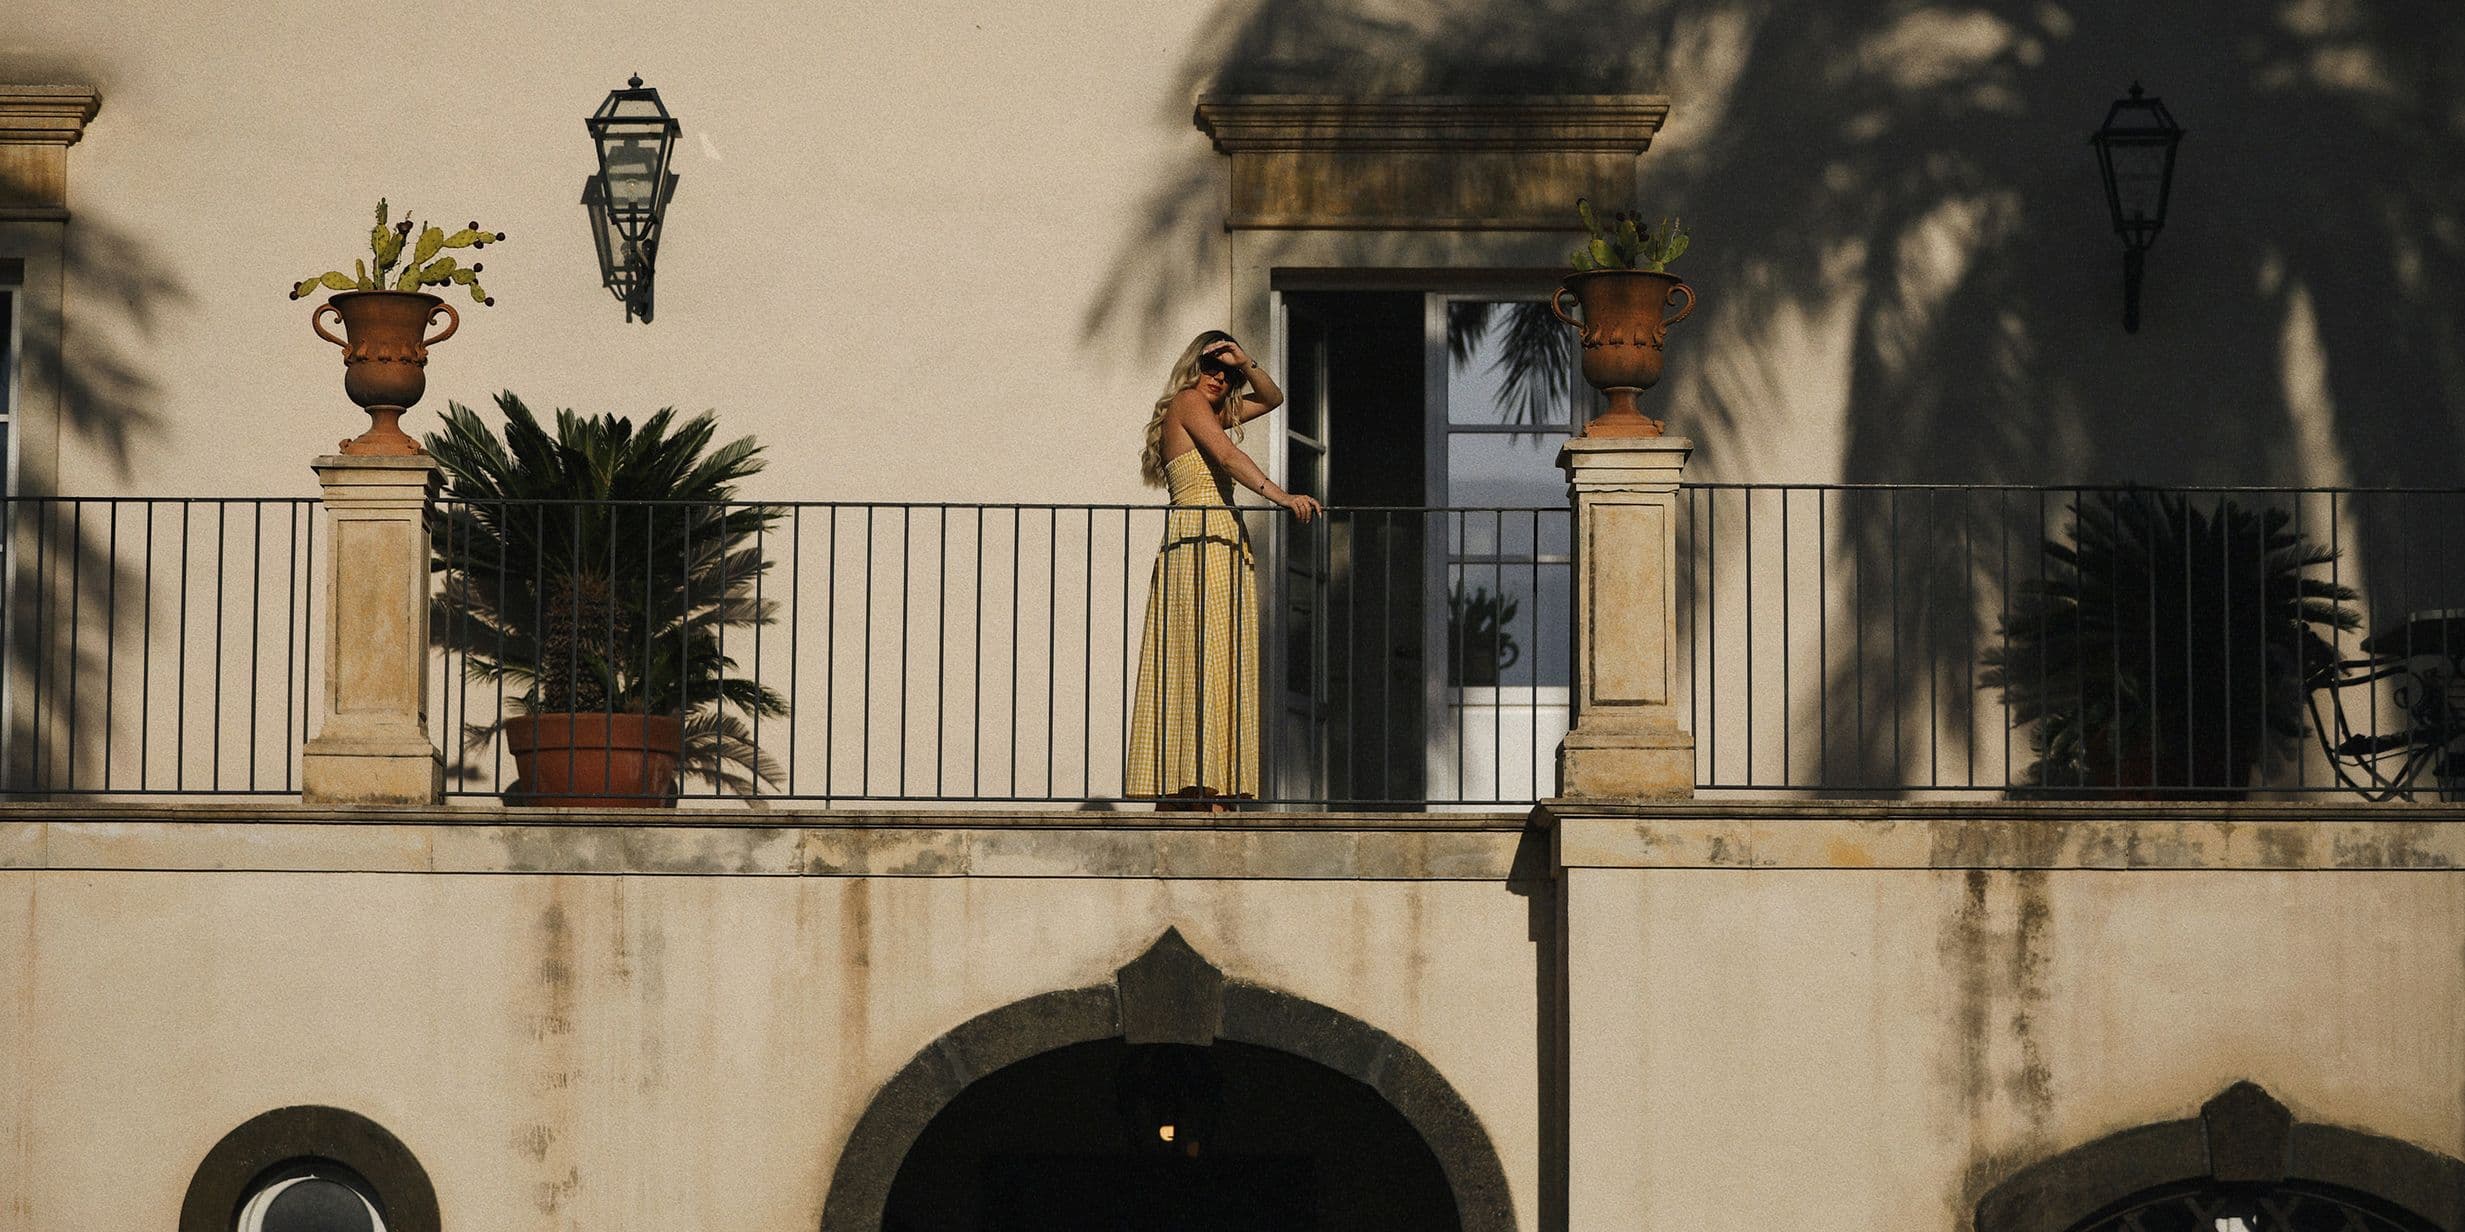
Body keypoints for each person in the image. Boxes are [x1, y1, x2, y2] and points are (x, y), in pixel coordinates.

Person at [1127, 331, 1320, 810]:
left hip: (1223, 541)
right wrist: (1284, 497)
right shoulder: (1187, 402)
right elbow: (1229, 457)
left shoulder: (1216, 410)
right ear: (1194, 367)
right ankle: (1191, 788)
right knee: (1195, 658)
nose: (1219, 377)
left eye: (1227, 373)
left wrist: (1245, 360)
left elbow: (1273, 398)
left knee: (1222, 659)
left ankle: (1212, 784)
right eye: (1212, 366)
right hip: (1198, 539)